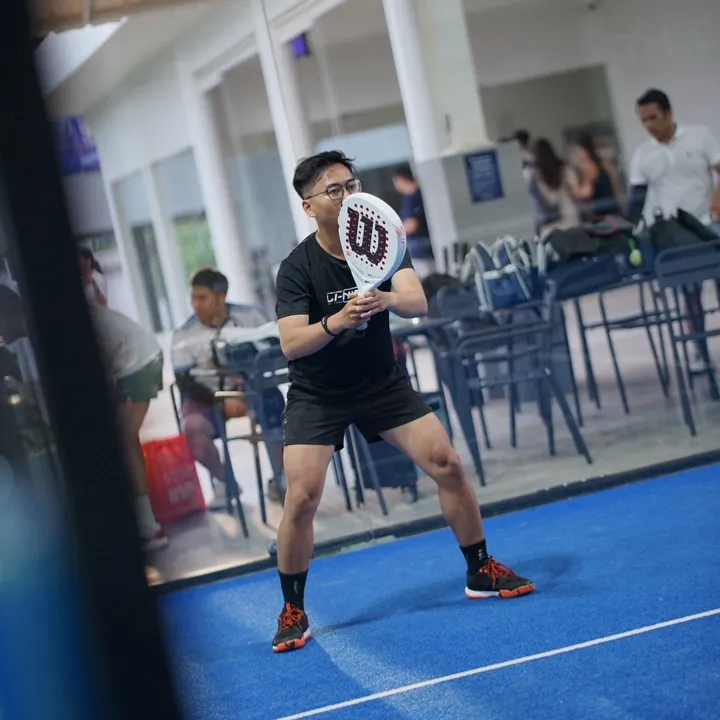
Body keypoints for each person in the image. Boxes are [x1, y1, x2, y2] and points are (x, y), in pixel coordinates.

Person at [271, 150, 535, 653]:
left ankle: (480, 570)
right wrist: (338, 321)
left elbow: (417, 301)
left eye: (352, 185)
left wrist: (387, 298)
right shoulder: (296, 268)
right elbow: (291, 343)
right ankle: (293, 609)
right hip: (318, 393)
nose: (347, 196)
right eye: (334, 190)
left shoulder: (381, 240)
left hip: (380, 383)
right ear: (309, 206)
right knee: (302, 496)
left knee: (447, 463)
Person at [171, 268, 285, 505]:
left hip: (253, 388)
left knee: (276, 407)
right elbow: (185, 383)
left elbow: (274, 354)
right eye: (193, 298)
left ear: (221, 296)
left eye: (202, 298)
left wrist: (246, 391)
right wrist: (220, 399)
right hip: (206, 396)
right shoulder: (184, 335)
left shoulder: (251, 318)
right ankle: (226, 482)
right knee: (192, 429)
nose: (195, 304)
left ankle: (282, 478)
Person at [628, 88, 720, 371]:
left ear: (668, 114)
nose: (648, 125)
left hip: (709, 225)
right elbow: (636, 201)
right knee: (689, 294)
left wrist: (717, 202)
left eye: (653, 117)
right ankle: (699, 350)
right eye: (643, 120)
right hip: (676, 233)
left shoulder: (699, 136)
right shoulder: (643, 155)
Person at [89, 304, 168, 551]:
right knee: (125, 442)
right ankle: (145, 523)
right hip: (132, 359)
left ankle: (148, 527)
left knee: (123, 443)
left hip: (138, 362)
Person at [528, 138, 580, 237]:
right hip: (569, 213)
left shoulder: (534, 173)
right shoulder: (564, 167)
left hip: (548, 219)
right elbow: (576, 190)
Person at [391, 164, 435, 278]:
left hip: (420, 248)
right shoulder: (423, 193)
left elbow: (412, 225)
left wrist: (394, 233)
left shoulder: (411, 197)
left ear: (400, 179)